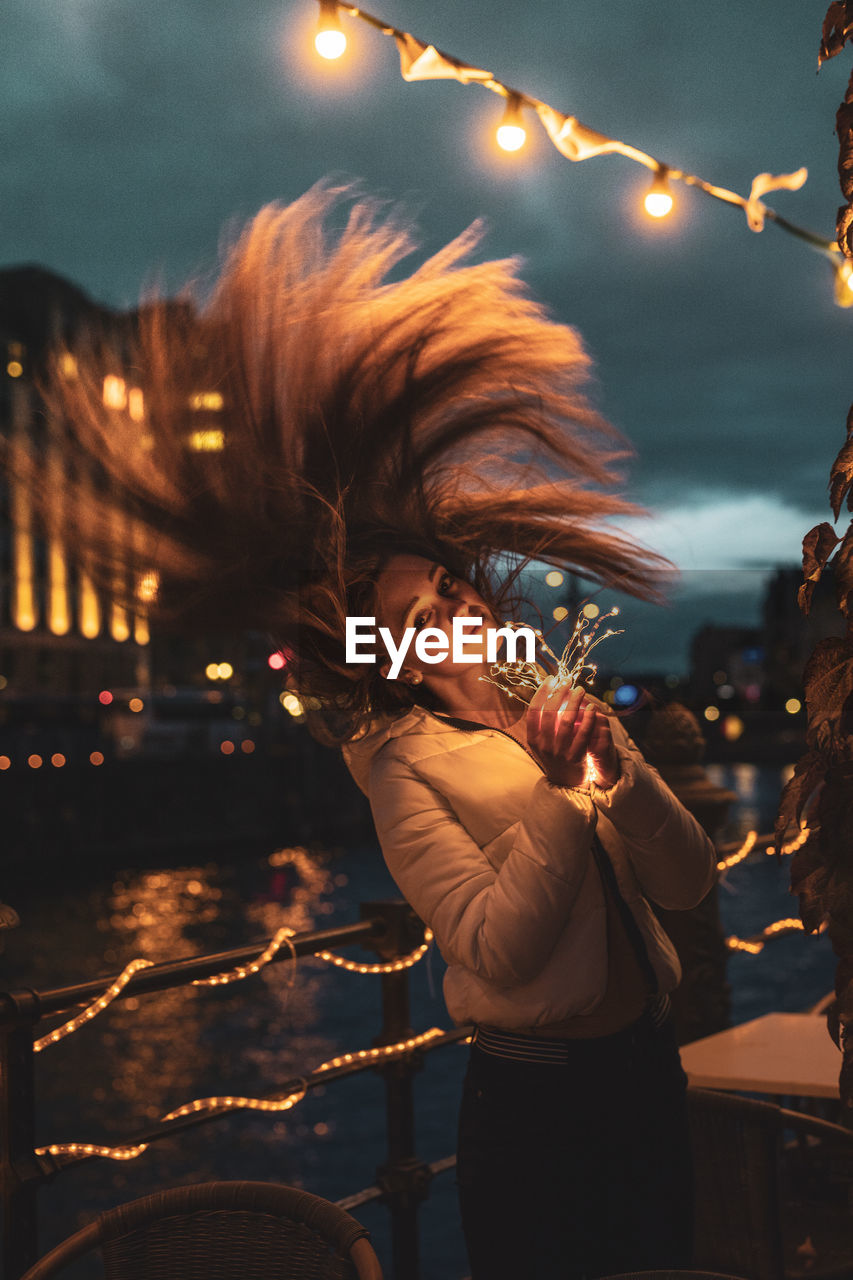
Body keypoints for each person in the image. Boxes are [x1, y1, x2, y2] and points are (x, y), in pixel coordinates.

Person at [17, 185, 717, 1278]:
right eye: (416, 616)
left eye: (450, 588)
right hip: (536, 1107)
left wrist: (615, 776)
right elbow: (493, 945)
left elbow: (687, 881)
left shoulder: (555, 703)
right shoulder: (399, 767)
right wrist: (557, 788)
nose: (454, 612)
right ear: (384, 654)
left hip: (645, 1075)